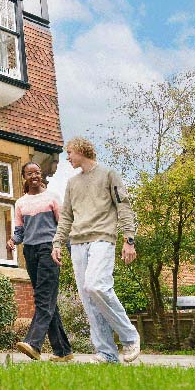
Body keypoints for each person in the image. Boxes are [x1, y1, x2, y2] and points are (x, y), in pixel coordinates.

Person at [51, 137, 141, 364]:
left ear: (82, 150)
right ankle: (107, 353)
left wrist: (129, 239)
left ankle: (130, 337)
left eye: (69, 152)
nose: (67, 157)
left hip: (102, 238)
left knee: (96, 285)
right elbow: (66, 217)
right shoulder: (72, 183)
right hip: (77, 243)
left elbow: (124, 207)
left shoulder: (109, 174)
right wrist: (57, 242)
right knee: (88, 298)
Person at [7, 161, 73, 362]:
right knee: (47, 298)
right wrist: (13, 240)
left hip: (48, 250)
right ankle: (63, 351)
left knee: (43, 297)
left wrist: (70, 250)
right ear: (24, 177)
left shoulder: (52, 197)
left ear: (41, 174)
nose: (34, 176)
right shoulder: (21, 203)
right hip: (30, 252)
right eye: (30, 173)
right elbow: (20, 231)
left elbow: (63, 225)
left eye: (37, 172)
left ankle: (33, 343)